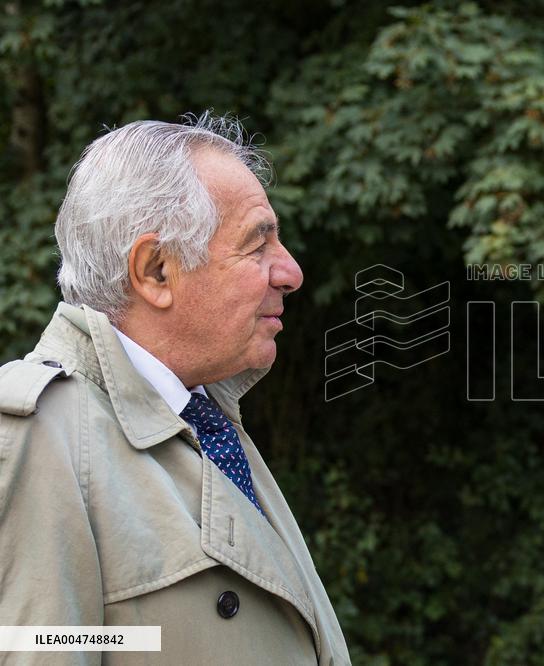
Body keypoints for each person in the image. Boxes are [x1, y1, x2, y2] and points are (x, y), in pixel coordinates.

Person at [0, 114, 351, 665]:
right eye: (257, 245)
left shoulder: (203, 416)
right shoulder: (36, 435)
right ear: (157, 270)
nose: (290, 272)